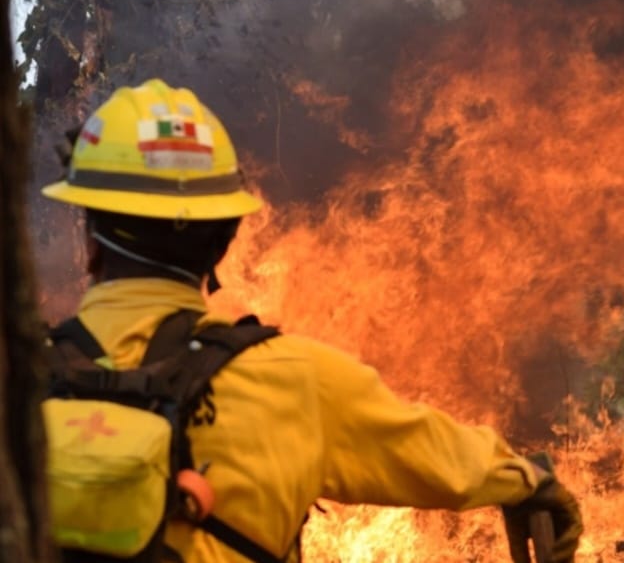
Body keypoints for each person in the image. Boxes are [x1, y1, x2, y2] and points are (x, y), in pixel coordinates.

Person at [41, 78, 582, 563]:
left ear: (90, 240)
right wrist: (528, 479)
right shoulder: (299, 382)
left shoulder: (16, 382)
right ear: (223, 242)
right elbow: (441, 457)